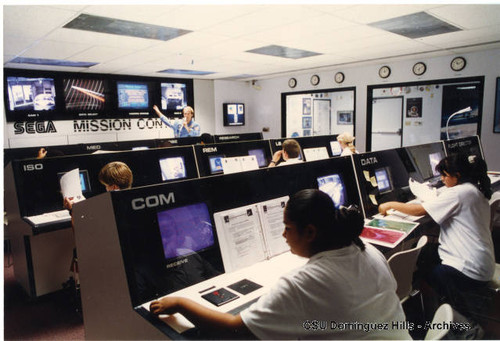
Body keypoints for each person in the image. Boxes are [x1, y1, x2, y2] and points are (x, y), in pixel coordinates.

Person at [150, 189, 411, 339]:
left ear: (310, 232)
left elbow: (234, 329)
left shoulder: (304, 282)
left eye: (287, 228)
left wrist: (181, 303)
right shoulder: (366, 249)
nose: (283, 236)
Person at [378, 154, 495, 320]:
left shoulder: (458, 193)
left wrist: (389, 204)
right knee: (425, 253)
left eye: (445, 175)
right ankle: (441, 309)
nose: (442, 179)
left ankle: (444, 316)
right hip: (482, 264)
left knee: (422, 263)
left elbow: (420, 211)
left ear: (457, 176)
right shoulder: (473, 189)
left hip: (469, 270)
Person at [64, 161, 133, 210]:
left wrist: (72, 210)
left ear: (114, 187)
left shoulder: (111, 209)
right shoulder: (133, 201)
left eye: (106, 186)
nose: (106, 188)